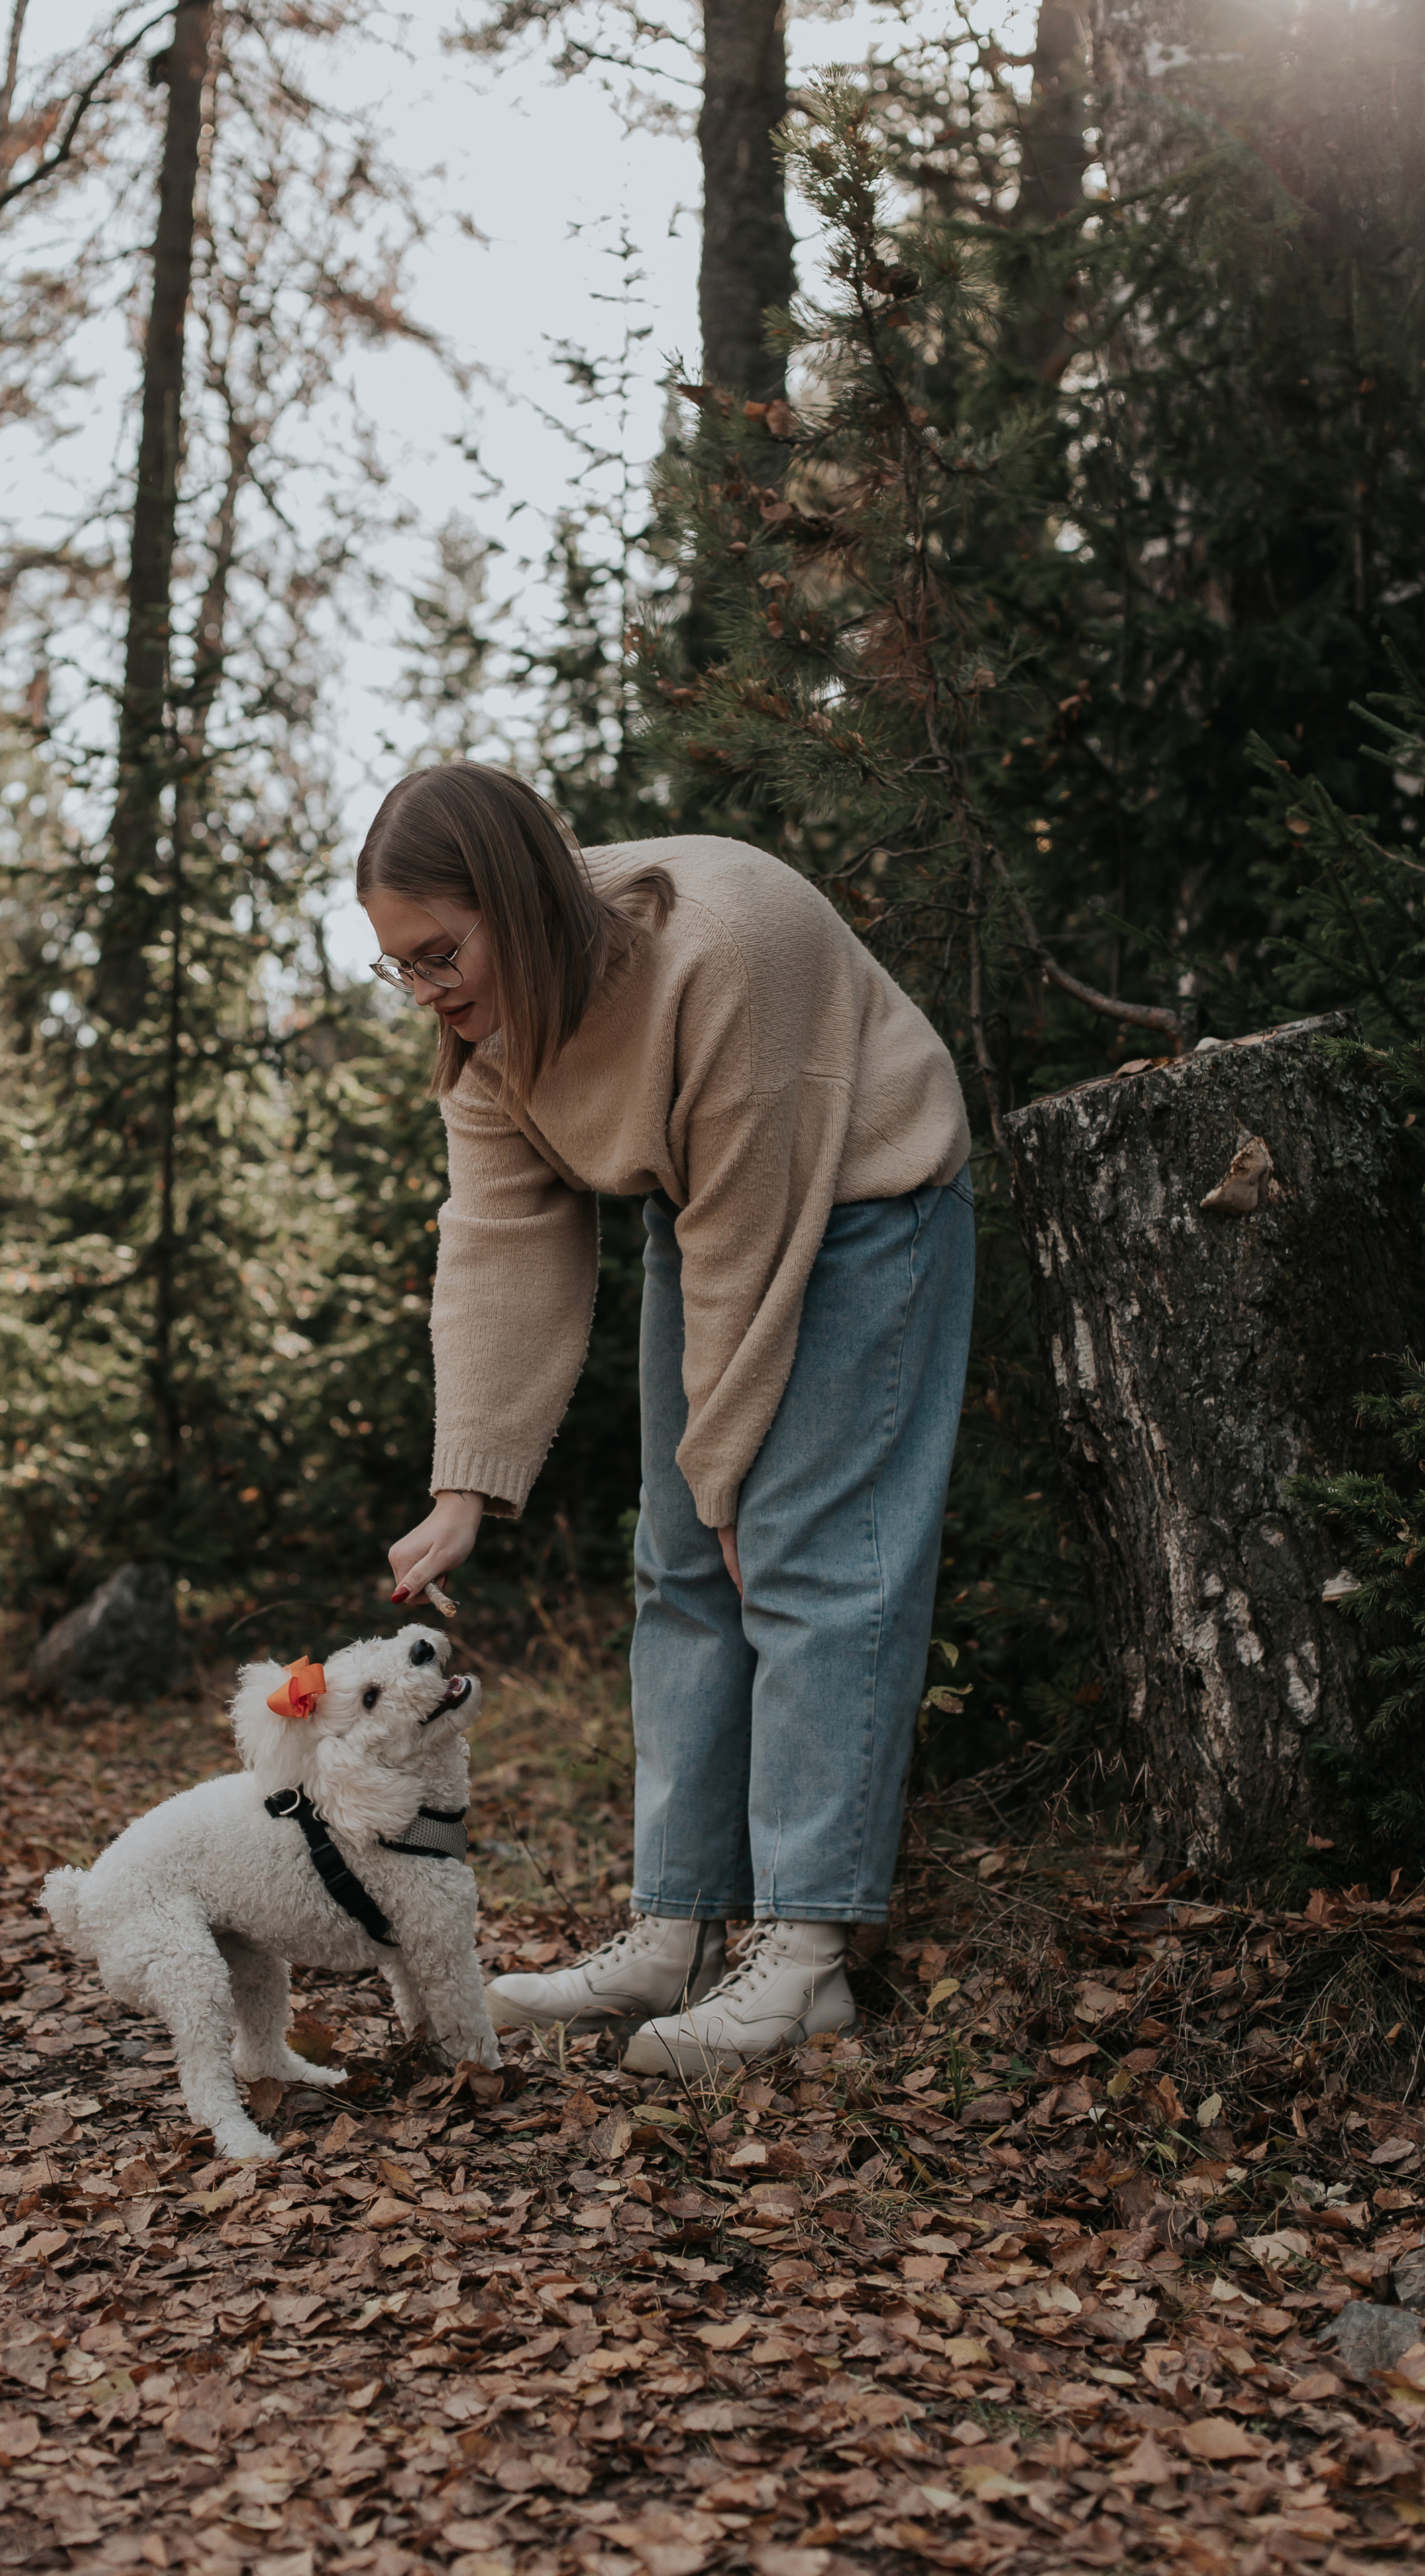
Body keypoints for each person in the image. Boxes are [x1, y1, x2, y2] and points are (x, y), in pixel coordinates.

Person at [358, 763, 973, 2076]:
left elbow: (761, 1225)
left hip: (860, 1200)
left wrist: (731, 1471)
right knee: (677, 1567)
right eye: (397, 967)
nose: (426, 990)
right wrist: (465, 1483)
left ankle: (804, 1961)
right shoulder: (492, 1038)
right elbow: (501, 1239)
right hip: (701, 1214)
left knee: (806, 1563)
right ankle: (677, 1931)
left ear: (513, 900)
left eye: (439, 953)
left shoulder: (724, 942)